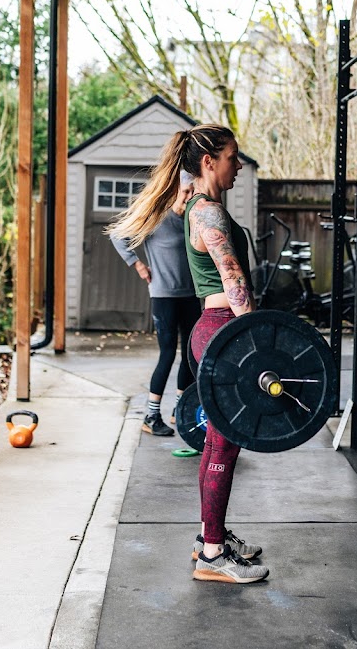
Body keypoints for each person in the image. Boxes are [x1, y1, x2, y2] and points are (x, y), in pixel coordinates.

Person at [107, 124, 268, 585]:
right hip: (224, 328)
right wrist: (254, 340)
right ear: (209, 161)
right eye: (233, 156)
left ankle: (208, 538)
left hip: (213, 329)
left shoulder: (197, 204)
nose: (238, 164)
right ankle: (213, 556)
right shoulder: (209, 214)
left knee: (220, 440)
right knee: (226, 441)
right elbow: (233, 280)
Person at [110, 171, 202, 437]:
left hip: (190, 295)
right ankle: (151, 415)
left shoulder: (191, 220)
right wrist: (136, 264)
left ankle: (179, 411)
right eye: (185, 192)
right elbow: (118, 234)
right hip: (163, 296)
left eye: (192, 192)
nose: (189, 197)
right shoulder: (156, 219)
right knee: (167, 354)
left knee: (190, 354)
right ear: (175, 191)